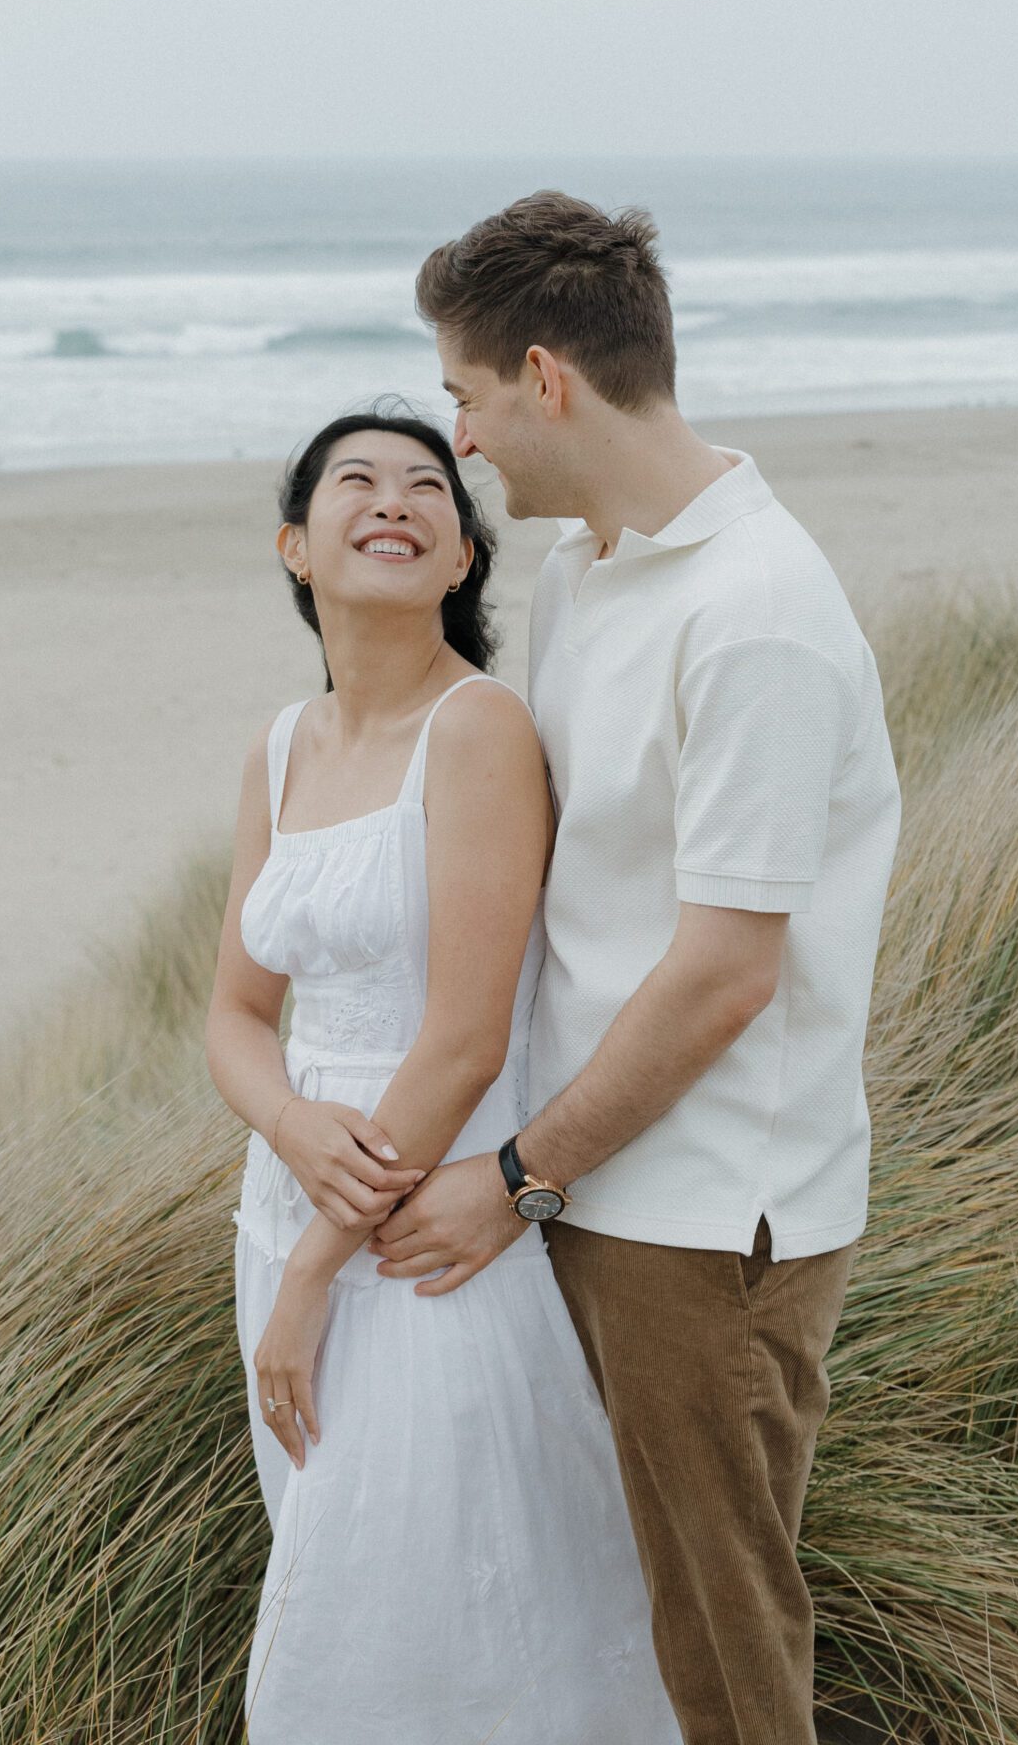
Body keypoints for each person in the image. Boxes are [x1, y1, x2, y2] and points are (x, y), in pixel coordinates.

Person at [372, 193, 901, 1745]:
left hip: (702, 1217)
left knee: (724, 1648)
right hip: (596, 1186)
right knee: (620, 1614)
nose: (460, 441)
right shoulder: (584, 570)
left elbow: (726, 975)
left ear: (545, 380)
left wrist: (518, 1175)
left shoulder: (759, 619)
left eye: (463, 398)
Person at [203, 406, 680, 1745]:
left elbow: (468, 1035)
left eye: (429, 487)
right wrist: (291, 1127)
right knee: (346, 1588)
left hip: (428, 1233)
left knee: (434, 1621)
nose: (394, 501)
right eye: (354, 483)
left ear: (463, 560)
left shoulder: (478, 731)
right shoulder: (281, 748)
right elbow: (236, 1013)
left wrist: (316, 1277)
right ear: (297, 546)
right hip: (286, 1206)